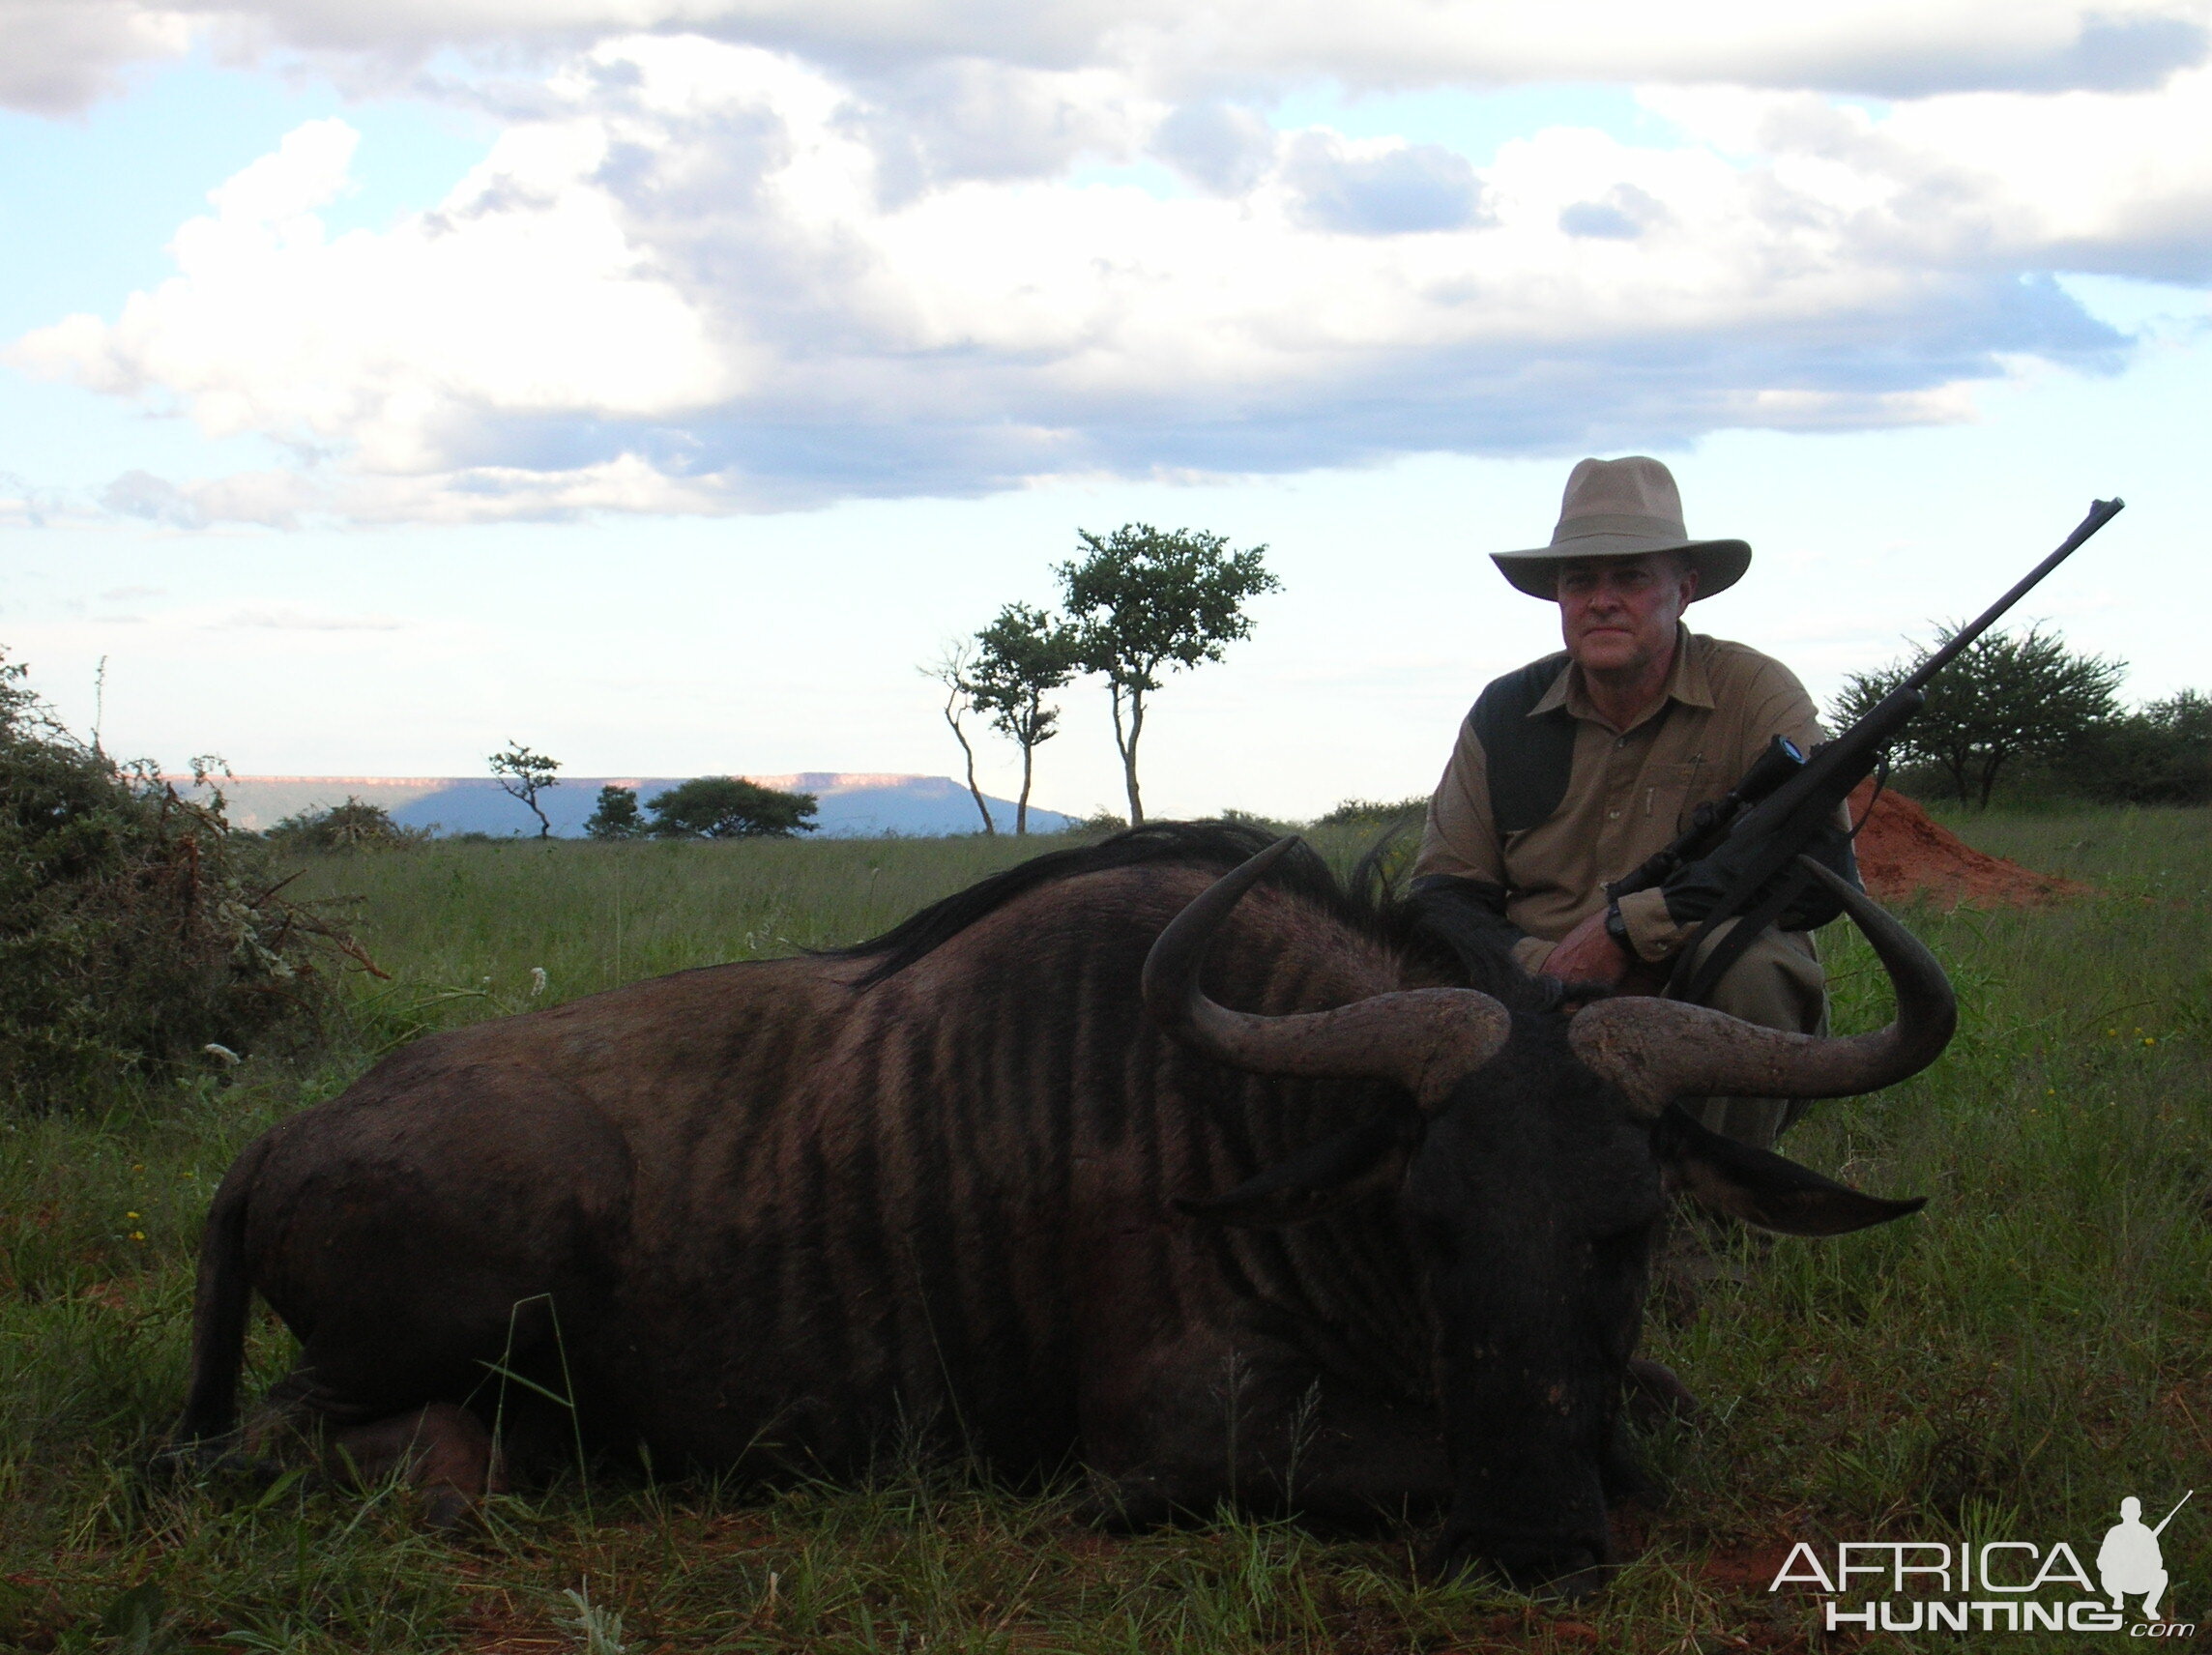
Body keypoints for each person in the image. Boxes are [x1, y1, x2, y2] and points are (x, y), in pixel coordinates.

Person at [1412, 454, 1857, 1152]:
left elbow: (1821, 869)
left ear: (1684, 589)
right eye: (1580, 580)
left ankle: (1713, 1229)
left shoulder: (1755, 691)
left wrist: (1628, 933)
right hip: (1528, 995)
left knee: (1754, 971)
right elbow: (1441, 898)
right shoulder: (1504, 712)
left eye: (1631, 576)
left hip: (1691, 987)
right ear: (1558, 597)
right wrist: (1541, 966)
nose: (1602, 600)